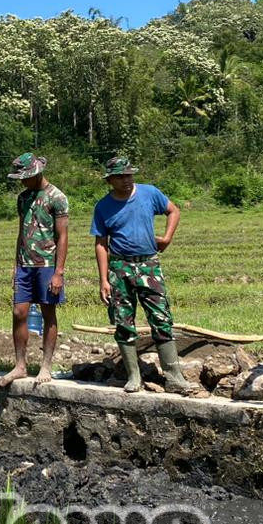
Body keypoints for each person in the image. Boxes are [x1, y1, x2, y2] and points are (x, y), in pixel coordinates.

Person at [91, 156, 189, 394]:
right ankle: (133, 376)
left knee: (161, 318)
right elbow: (101, 244)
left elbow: (173, 211)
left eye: (129, 175)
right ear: (110, 180)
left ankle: (174, 377)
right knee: (123, 321)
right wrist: (103, 280)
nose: (126, 180)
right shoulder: (103, 207)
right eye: (120, 177)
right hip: (119, 268)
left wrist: (166, 238)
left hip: (148, 265)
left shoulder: (149, 193)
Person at [0, 152, 69, 388]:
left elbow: (62, 236)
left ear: (37, 173)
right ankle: (20, 365)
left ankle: (46, 365)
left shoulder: (57, 197)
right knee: (19, 313)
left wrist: (59, 272)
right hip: (25, 265)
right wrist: (15, 264)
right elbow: (22, 232)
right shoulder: (23, 198)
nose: (22, 181)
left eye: (25, 177)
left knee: (48, 313)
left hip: (47, 265)